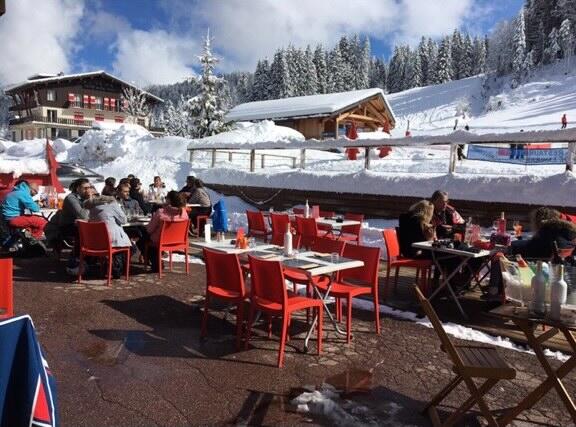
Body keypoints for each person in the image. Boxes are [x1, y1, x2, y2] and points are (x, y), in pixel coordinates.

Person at [487, 207, 576, 298]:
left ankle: (494, 292)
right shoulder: (566, 233)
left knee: (499, 255)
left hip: (541, 275)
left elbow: (532, 247)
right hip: (565, 278)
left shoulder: (548, 231)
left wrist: (511, 247)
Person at [84, 195, 132, 278]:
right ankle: (115, 269)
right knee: (132, 247)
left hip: (96, 242)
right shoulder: (113, 205)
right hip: (112, 241)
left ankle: (109, 264)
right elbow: (123, 220)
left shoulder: (92, 209)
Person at [145, 191, 188, 272]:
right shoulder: (184, 212)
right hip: (178, 240)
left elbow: (150, 229)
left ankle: (155, 262)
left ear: (169, 200)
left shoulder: (161, 212)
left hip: (160, 240)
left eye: (166, 198)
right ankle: (157, 260)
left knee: (143, 237)